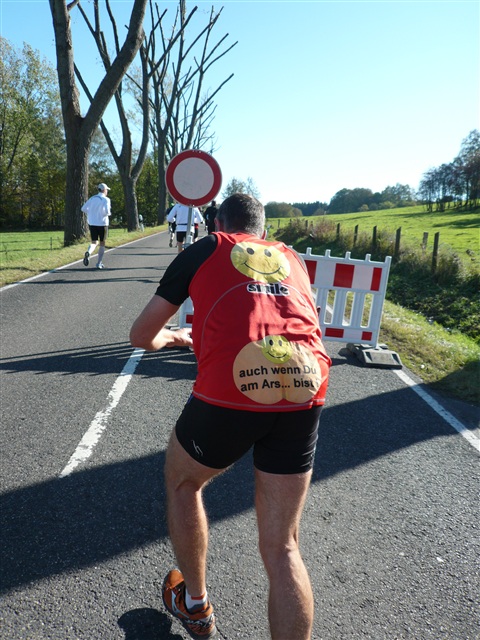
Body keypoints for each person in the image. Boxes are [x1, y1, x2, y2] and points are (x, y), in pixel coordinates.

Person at [130, 193, 331, 640]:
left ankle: (196, 605)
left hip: (235, 384)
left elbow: (141, 335)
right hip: (305, 384)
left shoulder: (208, 246)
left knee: (184, 482)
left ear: (217, 224)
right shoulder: (291, 256)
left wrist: (173, 338)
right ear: (264, 231)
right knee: (283, 546)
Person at [81, 183, 112, 269]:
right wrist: (107, 214)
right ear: (104, 190)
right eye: (107, 190)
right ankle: (99, 263)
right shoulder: (106, 199)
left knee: (94, 242)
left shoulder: (92, 198)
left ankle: (88, 252)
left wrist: (91, 213)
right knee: (102, 243)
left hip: (92, 223)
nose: (107, 191)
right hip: (102, 223)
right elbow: (107, 212)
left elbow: (83, 208)